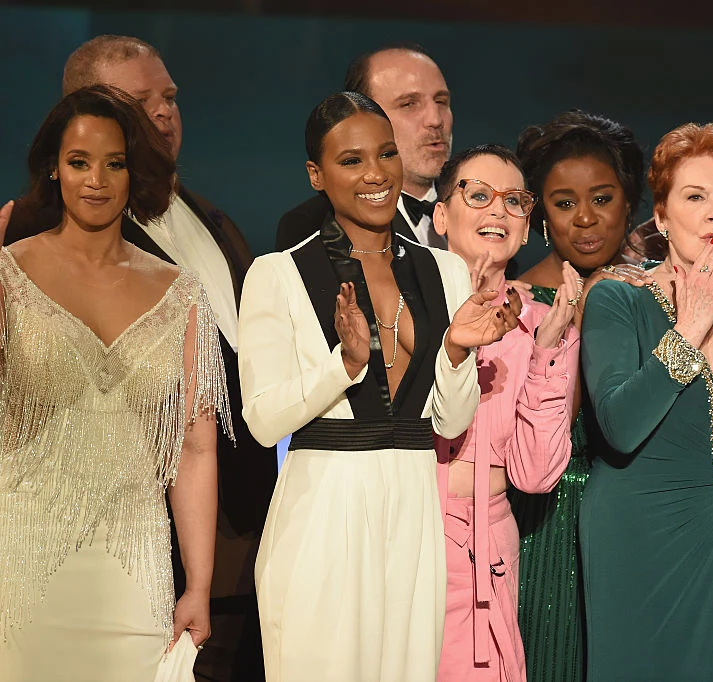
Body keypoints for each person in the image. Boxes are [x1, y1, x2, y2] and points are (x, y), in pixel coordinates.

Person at [4, 35, 275, 680]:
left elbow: (196, 445)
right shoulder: (11, 270)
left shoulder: (178, 288)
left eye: (114, 164)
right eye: (78, 162)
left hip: (137, 567)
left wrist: (200, 582)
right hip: (21, 560)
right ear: (54, 168)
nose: (96, 181)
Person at [239, 92, 519, 682]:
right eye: (351, 160)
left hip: (415, 510)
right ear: (317, 174)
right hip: (324, 511)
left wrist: (456, 351)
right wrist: (344, 365)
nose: (375, 174)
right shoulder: (279, 273)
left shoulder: (441, 269)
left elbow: (450, 423)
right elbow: (264, 421)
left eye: (386, 153)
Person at [580, 122, 713, 681]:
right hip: (637, 529)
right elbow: (619, 426)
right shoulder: (616, 298)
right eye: (695, 197)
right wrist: (694, 323)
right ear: (660, 215)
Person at [430, 144, 579, 680]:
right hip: (413, 530)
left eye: (515, 201)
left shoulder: (542, 321)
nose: (499, 211)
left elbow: (536, 476)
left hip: (492, 538)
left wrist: (547, 350)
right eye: (479, 195)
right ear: (441, 214)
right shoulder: (406, 306)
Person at [509, 109, 648, 682]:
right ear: (541, 212)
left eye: (603, 197)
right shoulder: (513, 302)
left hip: (641, 515)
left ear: (630, 202)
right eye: (565, 203)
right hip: (545, 519)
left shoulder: (661, 295)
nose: (586, 218)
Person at [277, 44, 452, 251]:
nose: (435, 119)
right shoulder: (312, 225)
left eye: (441, 101)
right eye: (408, 104)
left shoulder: (486, 208)